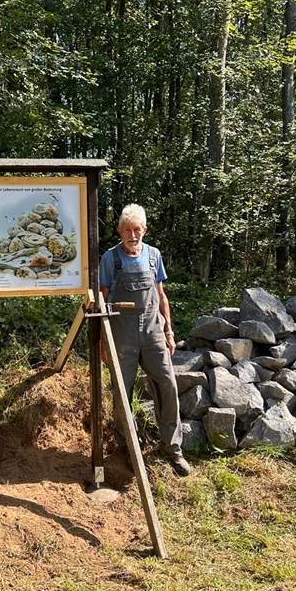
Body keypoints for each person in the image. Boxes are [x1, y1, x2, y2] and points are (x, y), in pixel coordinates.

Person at [99, 203, 191, 477]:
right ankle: (127, 450)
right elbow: (102, 300)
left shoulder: (154, 256)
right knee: (122, 393)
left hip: (152, 332)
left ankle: (173, 449)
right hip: (122, 333)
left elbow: (161, 296)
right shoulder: (110, 259)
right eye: (127, 229)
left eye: (137, 229)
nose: (132, 234)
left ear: (144, 230)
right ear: (120, 231)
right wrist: (103, 343)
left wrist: (169, 332)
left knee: (167, 384)